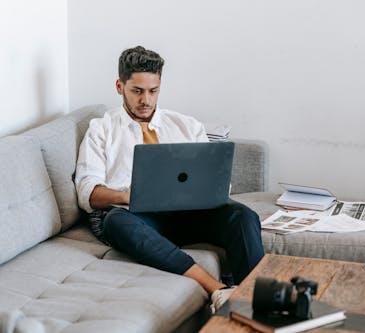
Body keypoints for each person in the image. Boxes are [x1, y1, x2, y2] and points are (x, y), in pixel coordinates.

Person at [74, 46, 265, 311]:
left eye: (153, 91)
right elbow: (88, 193)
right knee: (117, 222)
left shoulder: (186, 125)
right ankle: (218, 289)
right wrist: (126, 195)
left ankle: (258, 302)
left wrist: (210, 191)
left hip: (187, 214)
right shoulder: (101, 129)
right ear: (120, 86)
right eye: (137, 91)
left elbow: (216, 183)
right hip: (138, 218)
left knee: (243, 216)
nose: (146, 100)